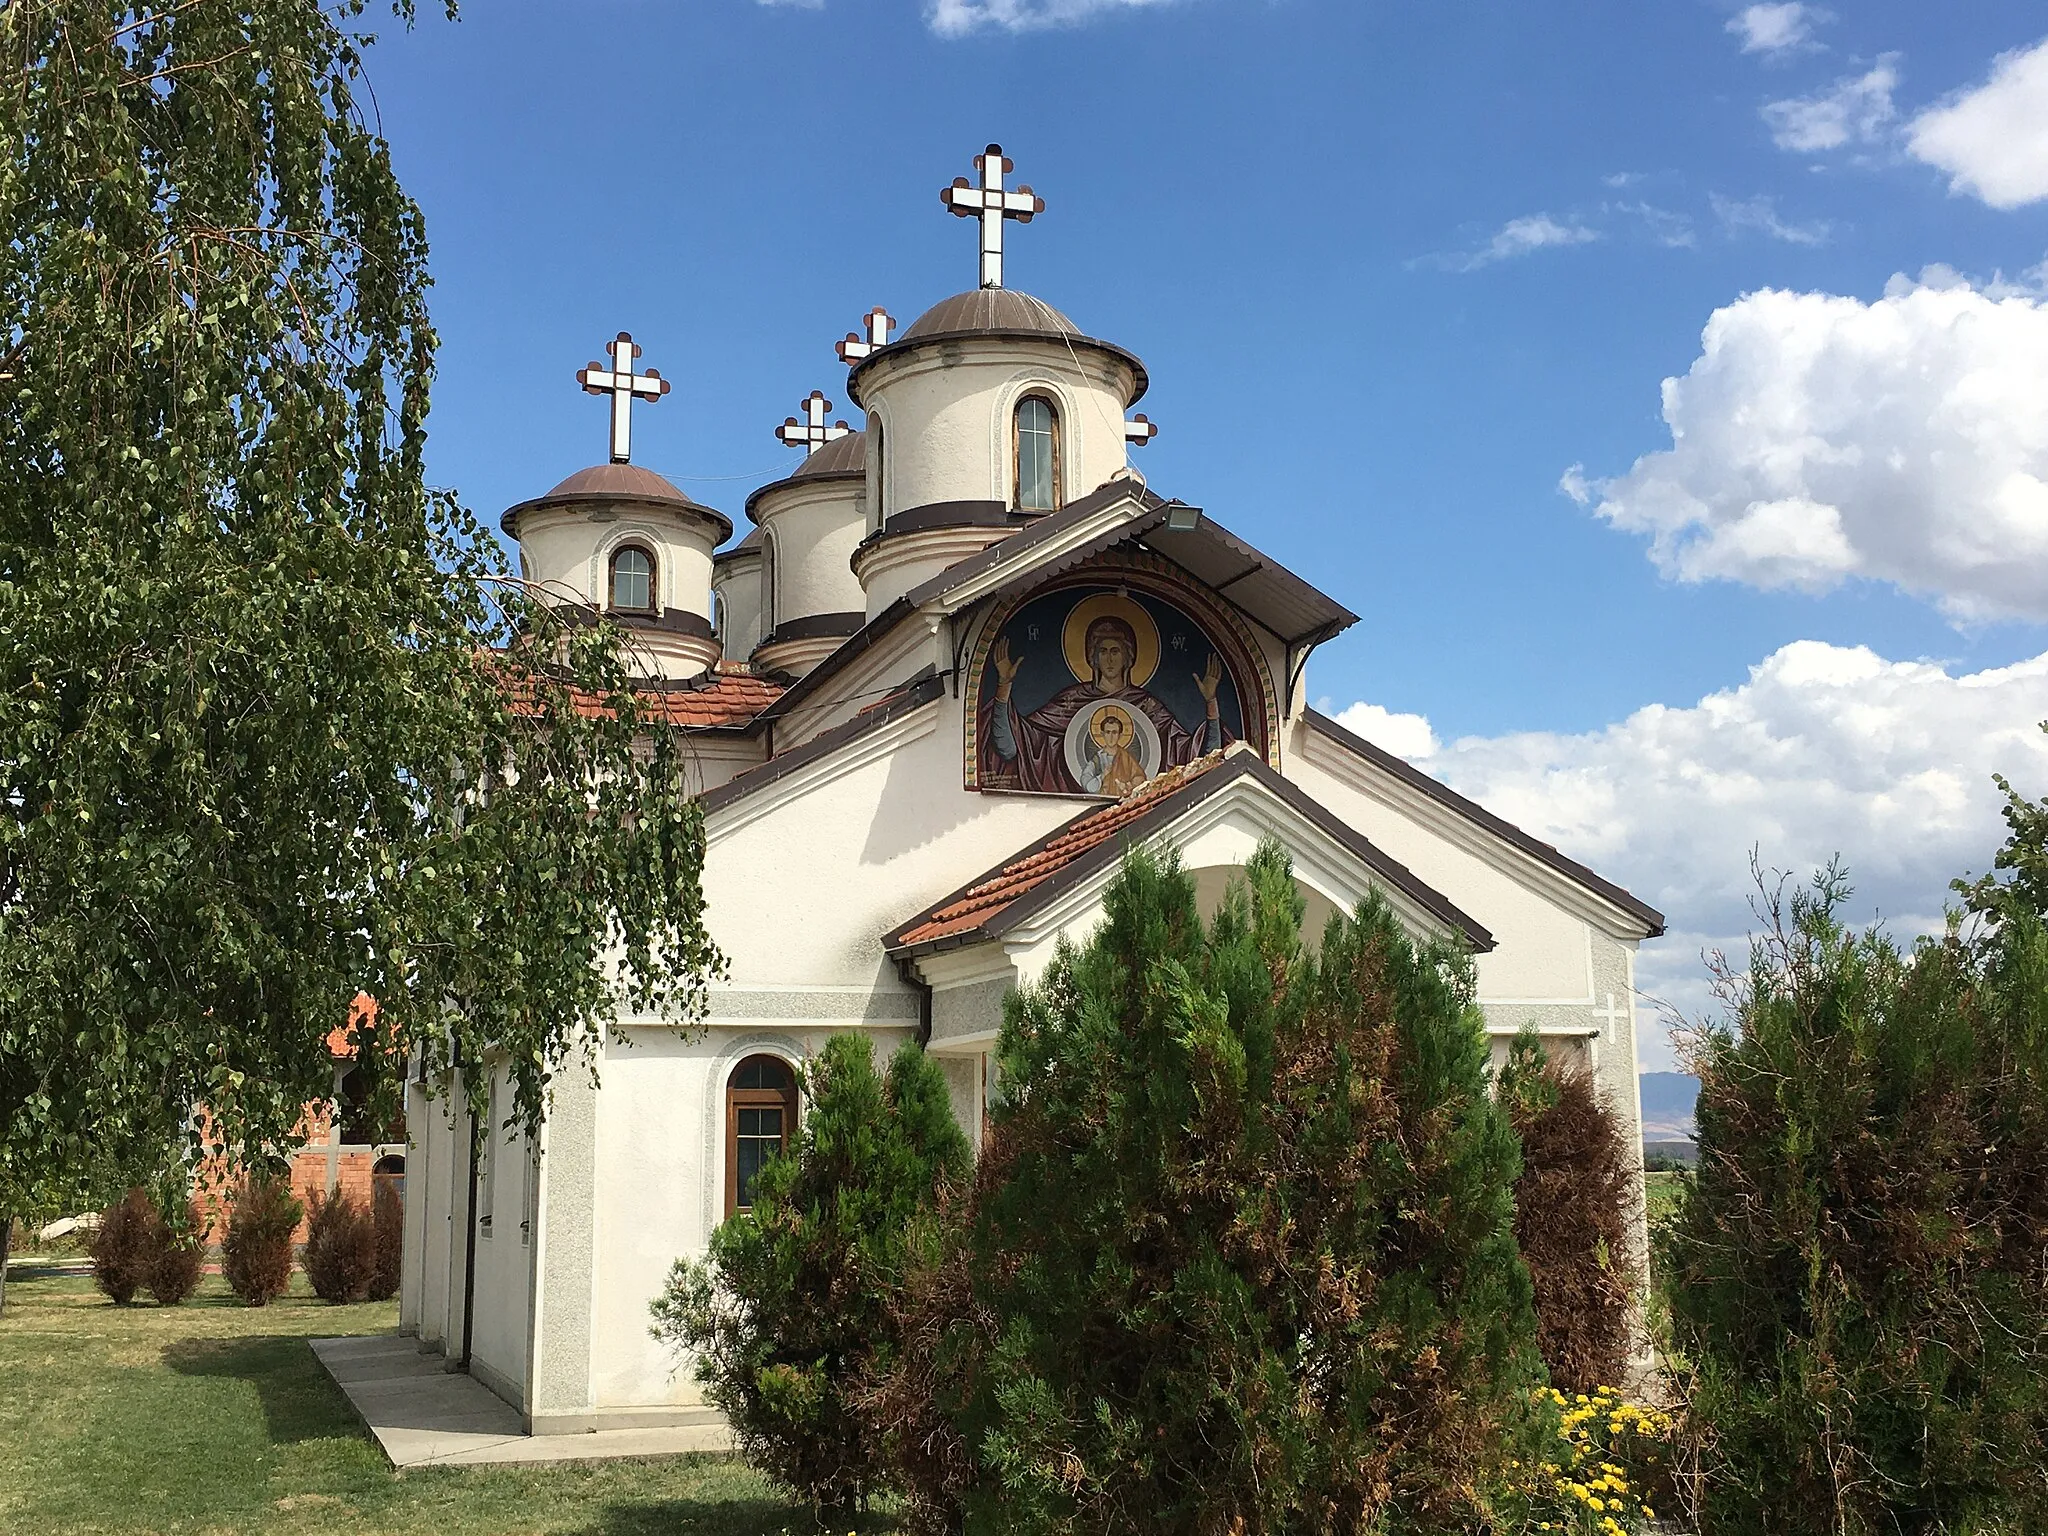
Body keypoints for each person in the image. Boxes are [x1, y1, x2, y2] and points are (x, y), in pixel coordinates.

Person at [985, 612, 1226, 793]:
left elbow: (1203, 757)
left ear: (1128, 658)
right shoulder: (1069, 702)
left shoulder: (1148, 706)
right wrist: (1004, 686)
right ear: (1093, 658)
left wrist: (1211, 702)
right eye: (1102, 651)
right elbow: (1010, 748)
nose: (1109, 659)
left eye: (1115, 651)